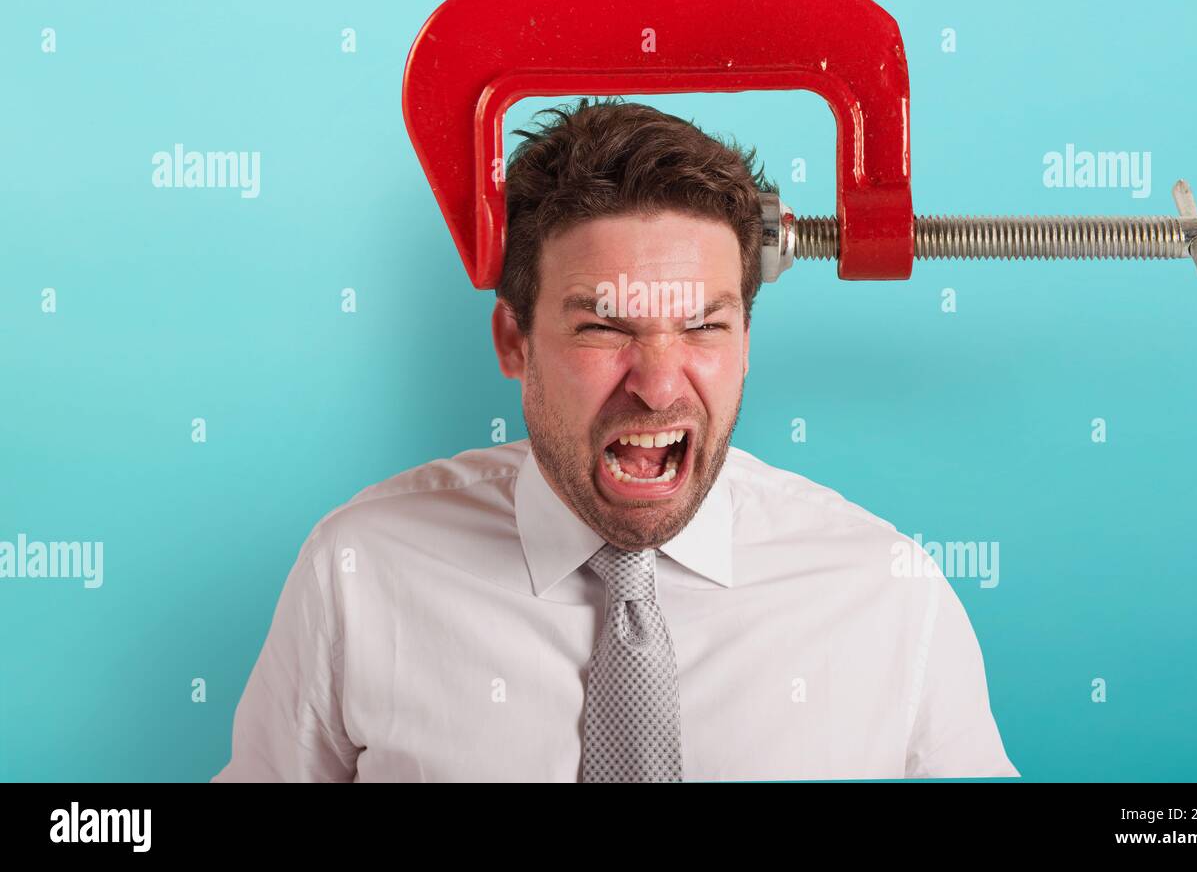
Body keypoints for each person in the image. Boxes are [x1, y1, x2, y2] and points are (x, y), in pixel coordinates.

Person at [211, 97, 1019, 783]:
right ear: (514, 341)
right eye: (603, 326)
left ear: (746, 341)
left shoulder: (886, 594)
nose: (660, 383)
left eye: (704, 325)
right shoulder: (359, 574)